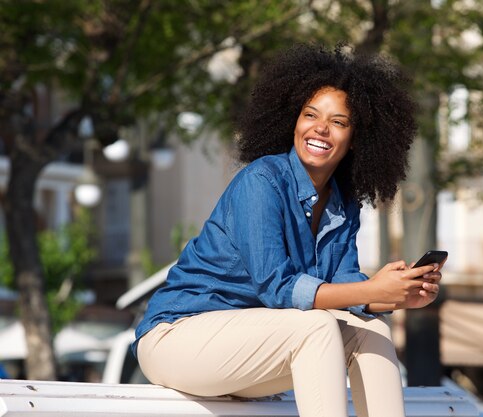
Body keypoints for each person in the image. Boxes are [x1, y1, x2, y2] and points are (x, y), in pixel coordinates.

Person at [133, 43, 443, 417]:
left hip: (251, 347)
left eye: (339, 121)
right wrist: (373, 288)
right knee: (315, 328)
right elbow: (277, 288)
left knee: (370, 331)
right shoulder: (261, 181)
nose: (320, 129)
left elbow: (345, 287)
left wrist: (394, 297)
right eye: (310, 114)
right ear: (293, 120)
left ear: (357, 137)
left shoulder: (342, 202)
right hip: (177, 338)